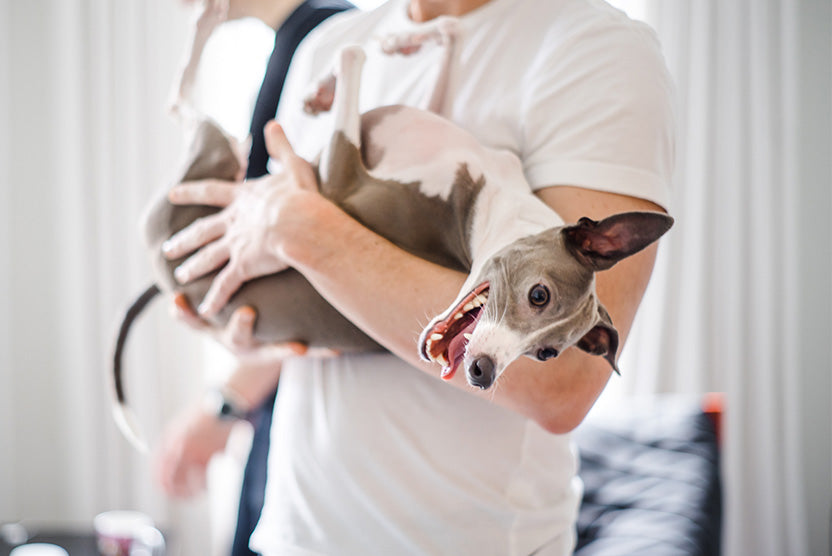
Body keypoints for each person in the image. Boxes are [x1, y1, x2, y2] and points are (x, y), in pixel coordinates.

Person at [163, 0, 675, 553]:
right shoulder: (325, 44)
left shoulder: (594, 51)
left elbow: (562, 381)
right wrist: (248, 335)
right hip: (297, 533)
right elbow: (322, 283)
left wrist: (307, 233)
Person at [152, 1, 352, 555]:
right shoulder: (295, 44)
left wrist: (227, 400)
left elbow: (322, 268)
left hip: (313, 406)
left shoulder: (321, 40)